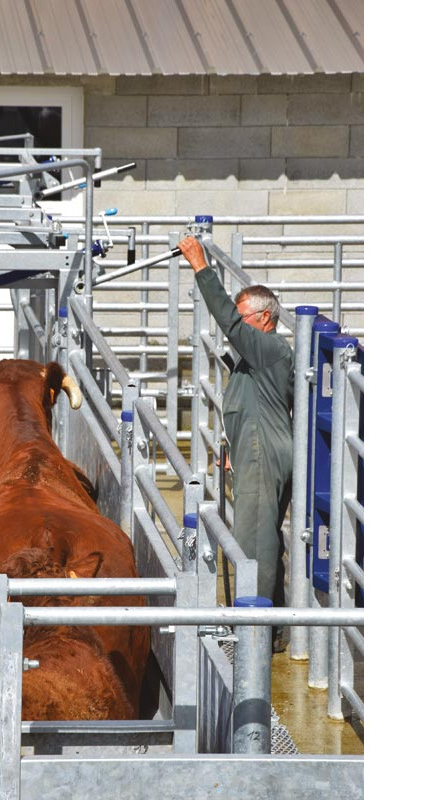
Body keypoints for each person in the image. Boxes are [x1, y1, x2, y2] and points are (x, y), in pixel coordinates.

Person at [178, 236, 294, 652]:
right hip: (254, 449)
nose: (237, 328)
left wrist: (200, 265)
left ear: (264, 318)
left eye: (245, 319)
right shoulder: (259, 354)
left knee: (254, 543)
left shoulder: (269, 348)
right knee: (260, 539)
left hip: (263, 456)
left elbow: (226, 318)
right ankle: (267, 629)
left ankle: (253, 634)